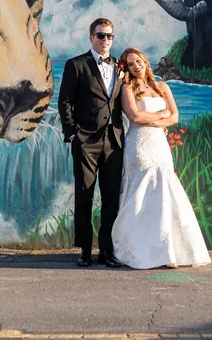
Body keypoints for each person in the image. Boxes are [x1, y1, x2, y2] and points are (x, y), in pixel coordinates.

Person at [58, 19, 167, 267]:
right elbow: (64, 101)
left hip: (114, 139)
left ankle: (106, 251)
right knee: (84, 196)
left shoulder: (120, 66)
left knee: (111, 198)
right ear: (91, 37)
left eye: (109, 36)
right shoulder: (76, 65)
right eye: (100, 35)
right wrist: (72, 133)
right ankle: (85, 250)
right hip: (86, 140)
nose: (105, 40)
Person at [111, 47, 211, 269]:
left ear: (145, 61)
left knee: (165, 188)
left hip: (159, 143)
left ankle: (168, 249)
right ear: (126, 69)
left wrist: (157, 121)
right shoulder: (128, 88)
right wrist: (159, 117)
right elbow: (134, 116)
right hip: (140, 144)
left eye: (138, 61)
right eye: (130, 64)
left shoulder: (162, 86)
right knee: (143, 186)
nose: (136, 66)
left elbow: (174, 116)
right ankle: (141, 247)